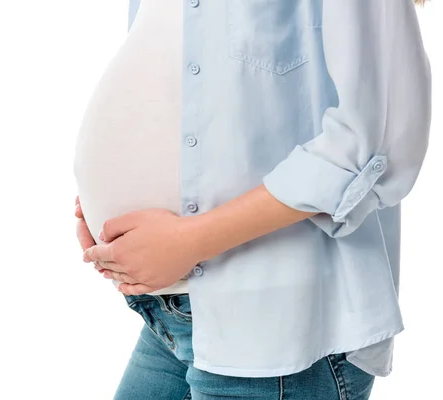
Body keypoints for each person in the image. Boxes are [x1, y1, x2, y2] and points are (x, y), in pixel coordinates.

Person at [73, 0, 432, 399]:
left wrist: (187, 241)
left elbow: (374, 142)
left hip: (278, 326)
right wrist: (107, 197)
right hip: (176, 314)